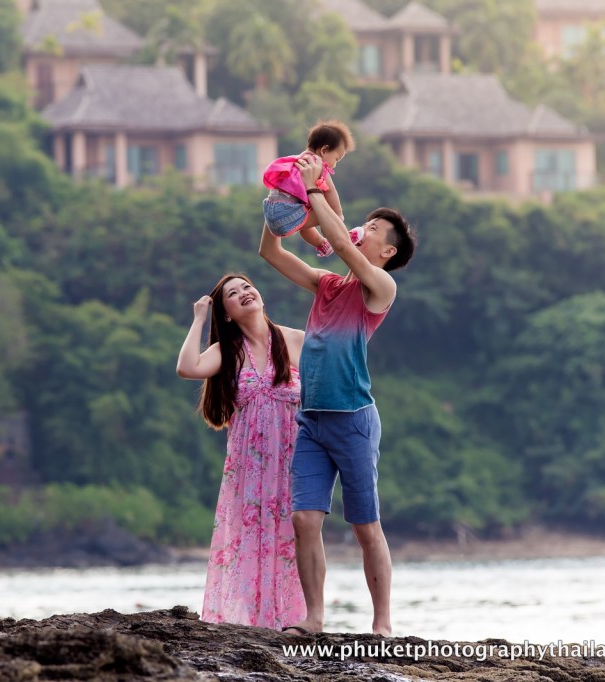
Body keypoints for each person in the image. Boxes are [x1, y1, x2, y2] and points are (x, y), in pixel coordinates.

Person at [258, 154, 417, 637]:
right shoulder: (327, 285)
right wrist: (281, 201)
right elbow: (271, 253)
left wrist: (315, 191)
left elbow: (344, 247)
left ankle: (382, 623)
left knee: (365, 526)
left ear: (387, 251)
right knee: (304, 520)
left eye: (374, 229)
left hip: (353, 419)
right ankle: (314, 618)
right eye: (366, 223)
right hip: (312, 419)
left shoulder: (380, 287)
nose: (363, 230)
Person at [176, 273, 307, 629]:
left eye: (247, 286)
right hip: (248, 467)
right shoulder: (228, 351)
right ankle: (251, 621)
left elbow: (328, 386)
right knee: (248, 540)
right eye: (233, 294)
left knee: (296, 537)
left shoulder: (295, 339)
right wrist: (199, 319)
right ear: (227, 314)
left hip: (294, 461)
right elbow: (187, 367)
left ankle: (297, 618)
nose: (244, 293)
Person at [262, 119, 363, 258]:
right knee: (325, 212)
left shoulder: (296, 160)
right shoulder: (316, 163)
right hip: (288, 213)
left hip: (271, 216)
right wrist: (338, 216)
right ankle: (344, 236)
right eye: (336, 159)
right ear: (324, 150)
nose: (334, 165)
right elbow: (330, 191)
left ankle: (322, 244)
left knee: (305, 222)